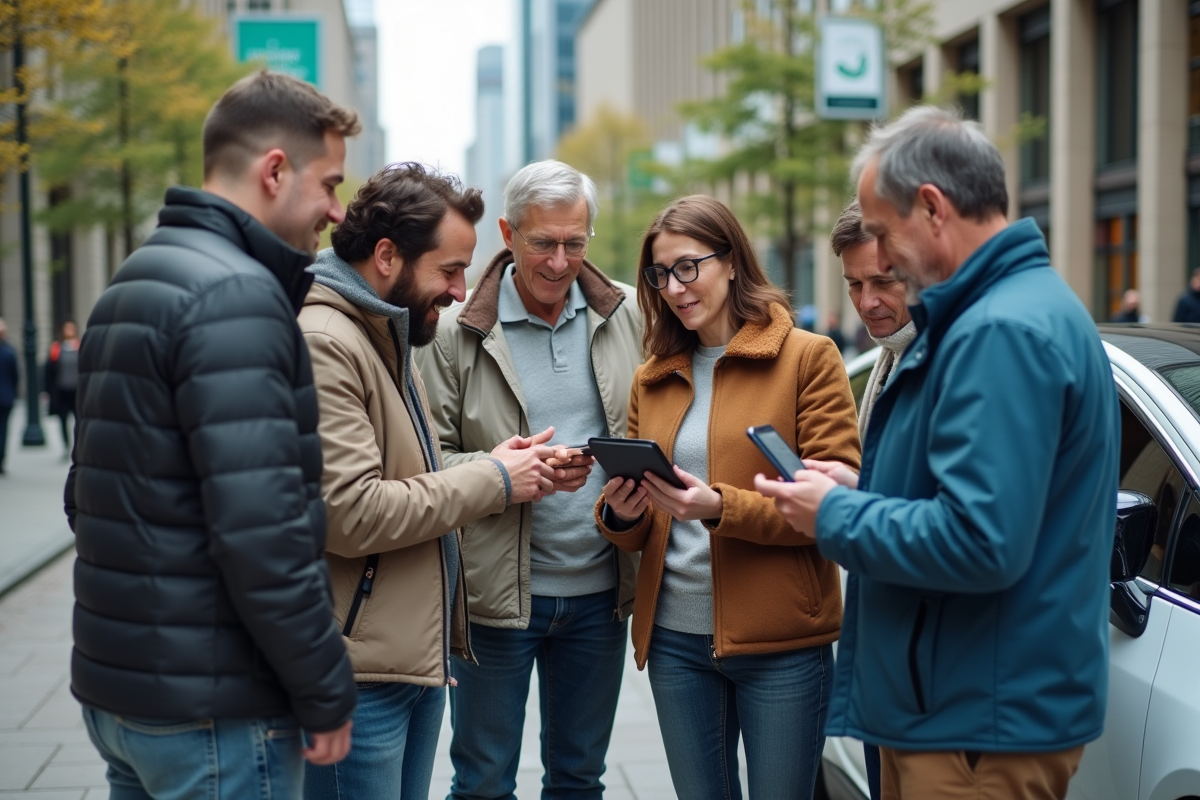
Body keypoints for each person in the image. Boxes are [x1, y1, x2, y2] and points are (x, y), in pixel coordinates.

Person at [756, 106, 1119, 800]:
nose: (884, 259)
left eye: (886, 235)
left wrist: (834, 513)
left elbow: (982, 540)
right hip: (965, 707)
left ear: (932, 207)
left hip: (973, 723)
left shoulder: (1000, 330)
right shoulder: (1011, 311)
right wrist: (860, 495)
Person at [65, 71, 362, 799]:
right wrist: (325, 687)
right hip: (216, 708)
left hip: (125, 694)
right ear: (274, 170)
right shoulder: (238, 296)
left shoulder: (134, 278)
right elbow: (263, 530)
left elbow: (85, 498)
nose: (334, 210)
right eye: (329, 184)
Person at [300, 163, 563, 800]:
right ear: (387, 256)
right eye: (448, 271)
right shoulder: (328, 340)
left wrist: (489, 463)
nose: (458, 290)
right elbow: (351, 513)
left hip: (404, 661)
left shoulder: (389, 333)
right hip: (358, 672)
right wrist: (496, 479)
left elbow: (412, 479)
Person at [596, 194, 861, 799]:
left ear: (733, 261)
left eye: (689, 266)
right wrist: (619, 512)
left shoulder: (807, 359)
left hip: (783, 644)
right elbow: (640, 526)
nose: (675, 286)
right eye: (660, 274)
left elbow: (836, 511)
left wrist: (720, 508)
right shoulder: (654, 374)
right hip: (675, 643)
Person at [416, 159, 642, 800]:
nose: (559, 261)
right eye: (543, 242)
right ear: (509, 235)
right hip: (493, 602)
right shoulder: (455, 330)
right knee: (483, 782)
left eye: (575, 242)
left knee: (580, 779)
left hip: (601, 595)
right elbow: (424, 464)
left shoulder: (628, 314)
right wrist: (504, 473)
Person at [43, 320, 80, 454]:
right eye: (67, 329)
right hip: (61, 391)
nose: (69, 331)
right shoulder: (56, 348)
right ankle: (66, 445)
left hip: (77, 392)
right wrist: (47, 391)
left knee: (79, 420)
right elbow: (49, 371)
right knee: (62, 419)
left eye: (72, 329)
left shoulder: (80, 346)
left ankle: (78, 445)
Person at [0, 318, 17, 475]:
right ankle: (1, 459)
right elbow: (16, 376)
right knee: (3, 430)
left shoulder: (9, 352)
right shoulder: (9, 351)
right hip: (6, 397)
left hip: (5, 397)